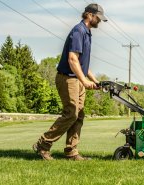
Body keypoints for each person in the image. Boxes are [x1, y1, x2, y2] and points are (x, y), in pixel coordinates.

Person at [33, 4, 108, 160]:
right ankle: (42, 145)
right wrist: (84, 81)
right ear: (89, 15)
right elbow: (72, 59)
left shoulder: (87, 33)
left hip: (77, 80)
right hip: (68, 78)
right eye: (98, 18)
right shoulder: (78, 31)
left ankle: (71, 151)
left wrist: (95, 81)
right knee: (71, 113)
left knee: (79, 115)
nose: (99, 21)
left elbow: (82, 64)